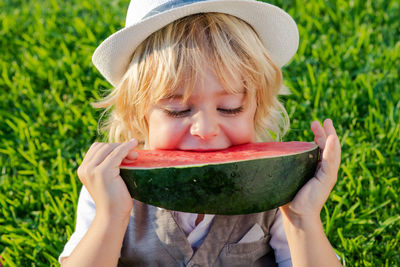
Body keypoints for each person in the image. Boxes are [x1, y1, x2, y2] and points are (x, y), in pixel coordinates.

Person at [59, 0, 342, 266]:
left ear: (256, 109)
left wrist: (302, 218)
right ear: (137, 113)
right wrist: (110, 216)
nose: (205, 130)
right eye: (177, 110)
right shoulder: (112, 188)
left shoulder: (275, 188)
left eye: (230, 108)